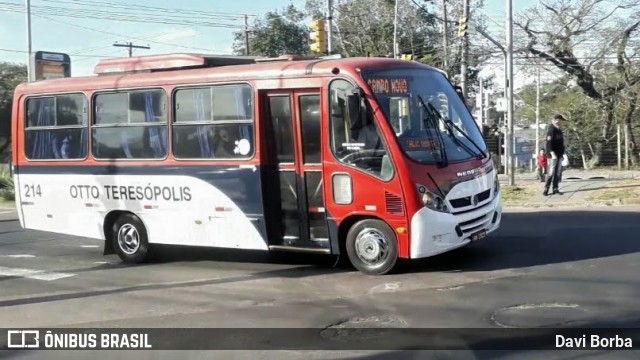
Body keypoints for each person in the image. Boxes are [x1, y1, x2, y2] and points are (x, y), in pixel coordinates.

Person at [543, 114, 566, 196]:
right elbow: (548, 143)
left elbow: (561, 143)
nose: (562, 122)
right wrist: (552, 153)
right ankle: (546, 188)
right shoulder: (551, 129)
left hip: (559, 154)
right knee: (551, 172)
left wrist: (562, 154)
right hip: (553, 155)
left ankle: (555, 188)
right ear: (556, 120)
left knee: (557, 172)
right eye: (561, 120)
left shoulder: (559, 130)